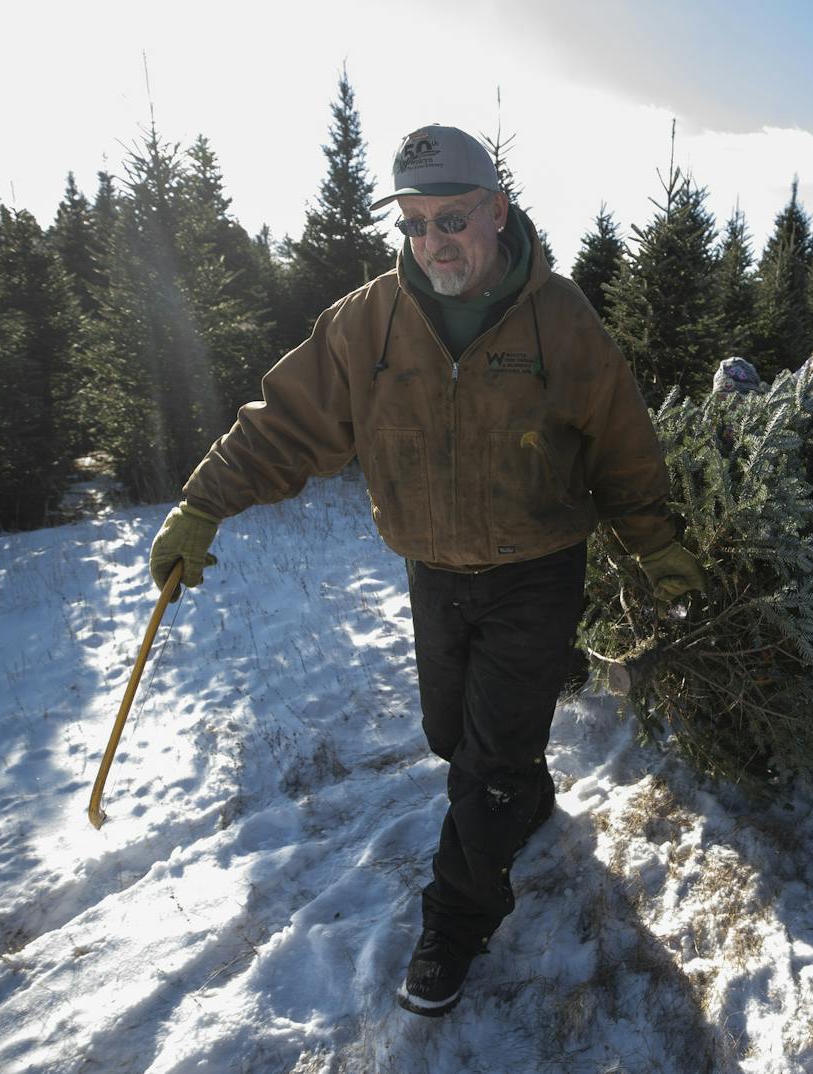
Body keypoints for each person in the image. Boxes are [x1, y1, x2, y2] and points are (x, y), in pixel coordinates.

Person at [146, 124, 706, 1018]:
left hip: (537, 570)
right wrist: (203, 502)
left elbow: (623, 448)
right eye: (414, 222)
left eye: (452, 218)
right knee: (454, 736)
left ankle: (458, 920)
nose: (434, 240)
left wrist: (656, 544)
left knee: (482, 765)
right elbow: (284, 421)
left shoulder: (561, 320)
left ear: (497, 210)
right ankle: (521, 793)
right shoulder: (367, 320)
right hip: (434, 574)